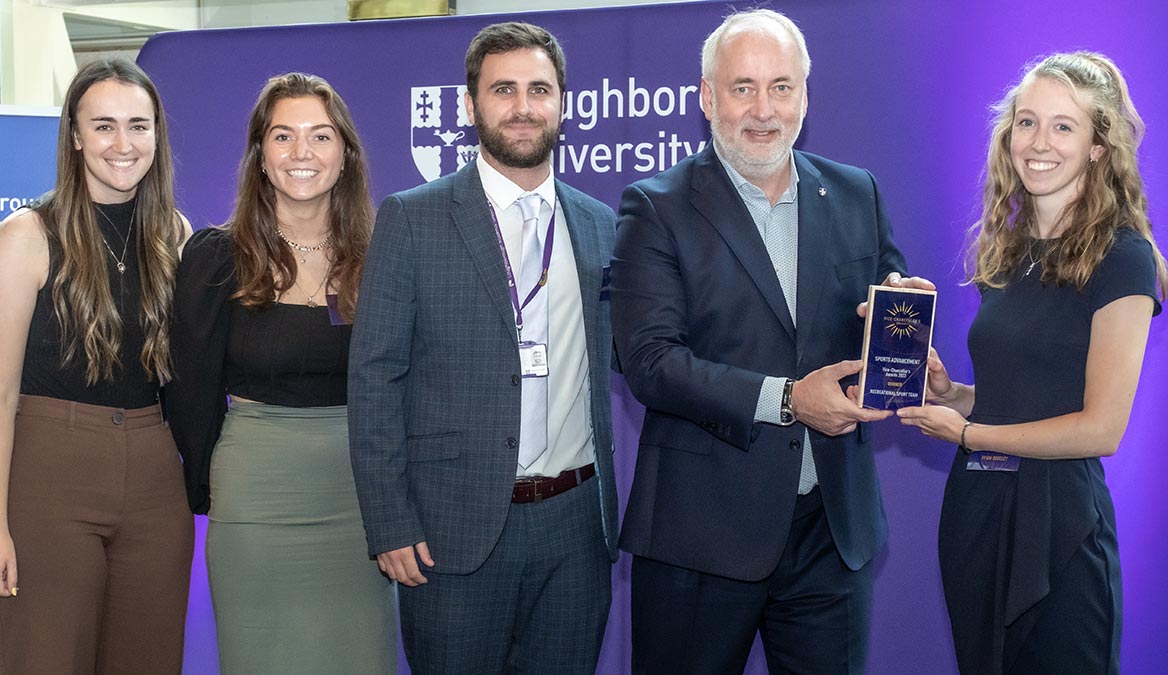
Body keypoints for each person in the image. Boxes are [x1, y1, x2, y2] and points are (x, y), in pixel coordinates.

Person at [610, 9, 934, 674]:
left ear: (805, 97)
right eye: (743, 87)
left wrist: (897, 328)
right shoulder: (656, 206)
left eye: (781, 87)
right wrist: (787, 399)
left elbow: (880, 303)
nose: (764, 109)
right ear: (707, 98)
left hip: (828, 531)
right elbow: (649, 361)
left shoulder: (854, 193)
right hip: (701, 538)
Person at [348, 21, 619, 674]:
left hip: (576, 531)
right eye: (504, 89)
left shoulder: (601, 224)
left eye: (539, 89)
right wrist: (389, 521)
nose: (523, 106)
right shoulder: (412, 218)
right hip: (451, 532)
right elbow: (374, 377)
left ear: (564, 103)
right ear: (471, 105)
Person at [897, 52, 1165, 674]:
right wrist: (952, 393)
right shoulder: (1007, 251)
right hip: (979, 515)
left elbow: (1101, 428)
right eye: (1026, 122)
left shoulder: (1125, 258)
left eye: (1063, 127)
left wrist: (966, 433)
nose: (1038, 143)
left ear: (1100, 146)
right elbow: (1020, 393)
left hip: (1059, 527)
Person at [165, 72, 396, 673]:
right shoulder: (216, 256)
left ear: (345, 155)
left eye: (320, 137)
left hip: (363, 500)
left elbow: (409, 386)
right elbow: (190, 390)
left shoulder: (387, 255)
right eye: (283, 137)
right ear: (260, 157)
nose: (302, 154)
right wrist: (206, 487)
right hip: (255, 499)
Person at [0, 58, 193, 673]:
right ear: (73, 134)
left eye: (138, 126)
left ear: (157, 135)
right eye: (103, 126)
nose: (123, 144)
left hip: (154, 484)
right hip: (49, 481)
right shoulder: (26, 236)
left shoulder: (174, 236)